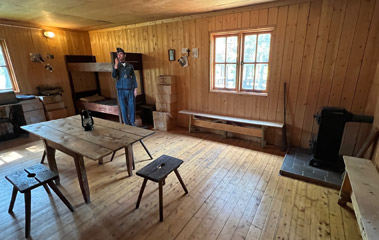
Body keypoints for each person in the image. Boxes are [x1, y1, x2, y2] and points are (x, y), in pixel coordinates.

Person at [112, 47, 138, 126]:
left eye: (120, 54)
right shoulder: (116, 66)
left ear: (124, 55)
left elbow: (133, 77)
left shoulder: (130, 66)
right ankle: (126, 123)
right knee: (123, 107)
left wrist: (135, 88)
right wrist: (115, 66)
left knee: (132, 106)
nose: (119, 55)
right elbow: (114, 76)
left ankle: (132, 122)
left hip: (130, 88)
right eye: (118, 54)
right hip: (120, 89)